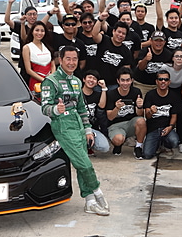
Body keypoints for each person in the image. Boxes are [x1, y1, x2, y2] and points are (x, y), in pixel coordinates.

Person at [41, 47, 109, 216]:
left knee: (81, 162)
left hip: (78, 124)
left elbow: (81, 108)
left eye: (74, 59)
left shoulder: (77, 81)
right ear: (61, 60)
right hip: (62, 124)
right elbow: (44, 108)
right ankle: (97, 191)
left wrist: (87, 130)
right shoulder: (51, 81)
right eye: (68, 59)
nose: (71, 62)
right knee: (84, 163)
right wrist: (56, 109)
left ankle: (89, 201)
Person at [103, 67, 146, 157]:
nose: (125, 83)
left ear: (132, 80)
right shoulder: (111, 94)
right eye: (122, 80)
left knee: (142, 121)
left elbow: (140, 114)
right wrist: (117, 108)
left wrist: (139, 106)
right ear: (118, 81)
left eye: (128, 80)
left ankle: (138, 147)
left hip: (131, 123)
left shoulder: (136, 92)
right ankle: (118, 145)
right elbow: (110, 117)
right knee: (118, 139)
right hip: (115, 124)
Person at [142, 69, 182, 160]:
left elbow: (174, 116)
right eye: (160, 79)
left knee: (175, 142)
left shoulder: (174, 96)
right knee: (147, 155)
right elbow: (147, 116)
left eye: (166, 79)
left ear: (169, 82)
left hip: (166, 127)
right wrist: (151, 112)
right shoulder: (150, 95)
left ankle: (165, 145)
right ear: (156, 81)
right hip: (153, 128)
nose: (163, 81)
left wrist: (170, 127)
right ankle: (157, 144)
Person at [91, 11, 134, 87]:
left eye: (123, 34)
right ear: (114, 31)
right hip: (98, 82)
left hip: (114, 85)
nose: (120, 35)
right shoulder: (104, 39)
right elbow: (94, 35)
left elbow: (126, 70)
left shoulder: (126, 51)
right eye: (119, 32)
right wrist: (100, 20)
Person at [135, 30, 173, 96]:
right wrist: (146, 59)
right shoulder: (144, 51)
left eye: (161, 41)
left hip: (159, 85)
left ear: (164, 42)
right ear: (151, 41)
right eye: (156, 40)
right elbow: (140, 68)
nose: (158, 43)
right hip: (142, 84)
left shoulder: (168, 54)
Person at [81, 70, 110, 154]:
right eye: (89, 77)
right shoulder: (77, 93)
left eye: (94, 79)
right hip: (78, 127)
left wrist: (104, 88)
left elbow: (102, 105)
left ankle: (89, 144)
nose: (91, 80)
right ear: (84, 79)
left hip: (92, 128)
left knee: (104, 147)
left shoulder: (97, 94)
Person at [22, 21, 55, 94]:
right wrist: (44, 80)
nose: (39, 33)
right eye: (37, 30)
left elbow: (53, 65)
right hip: (36, 83)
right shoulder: (27, 47)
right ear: (32, 32)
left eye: (42, 31)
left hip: (50, 81)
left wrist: (51, 77)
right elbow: (28, 70)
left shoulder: (47, 46)